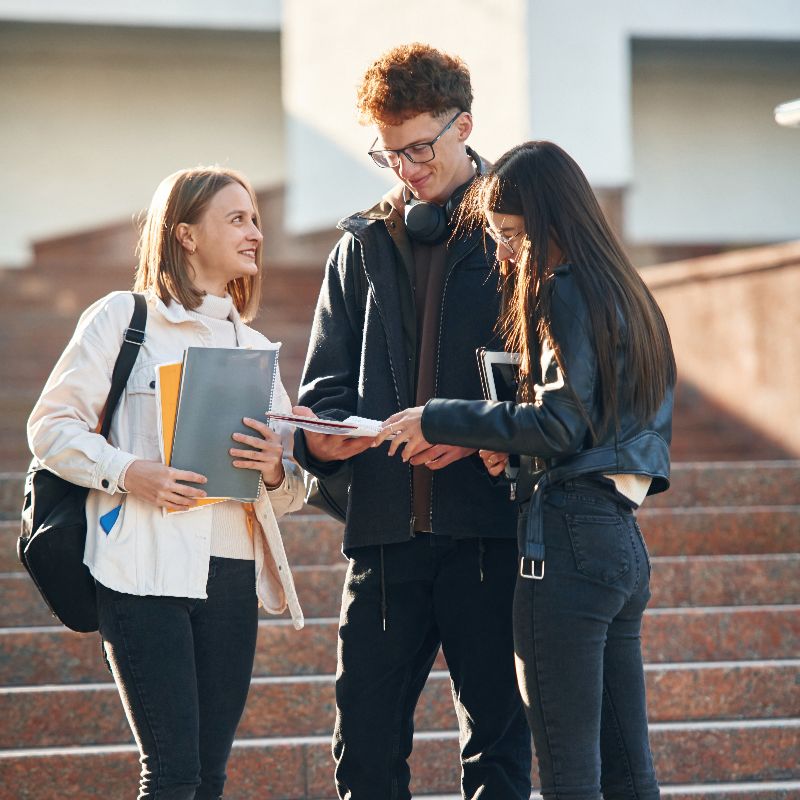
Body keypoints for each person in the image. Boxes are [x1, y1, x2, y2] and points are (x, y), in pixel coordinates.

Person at [376, 140, 676, 799]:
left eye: (512, 236)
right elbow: (603, 429)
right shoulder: (628, 292)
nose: (505, 254)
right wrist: (517, 449)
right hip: (621, 541)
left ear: (550, 222)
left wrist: (439, 417)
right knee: (630, 774)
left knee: (570, 776)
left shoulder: (563, 288)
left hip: (566, 544)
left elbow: (560, 424)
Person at [292, 44, 531, 800]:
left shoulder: (519, 233)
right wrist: (320, 440)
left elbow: (554, 386)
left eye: (419, 149)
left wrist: (472, 433)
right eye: (388, 153)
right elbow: (323, 388)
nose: (404, 168)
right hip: (384, 538)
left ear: (465, 126)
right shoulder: (357, 244)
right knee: (362, 752)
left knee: (498, 754)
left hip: (491, 532)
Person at [27, 166, 305, 799]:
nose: (255, 233)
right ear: (185, 234)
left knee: (208, 778)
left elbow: (289, 491)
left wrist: (274, 469)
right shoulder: (122, 319)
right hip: (141, 566)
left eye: (255, 219)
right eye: (237, 219)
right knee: (173, 775)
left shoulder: (256, 348)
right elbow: (50, 428)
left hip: (232, 572)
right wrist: (131, 472)